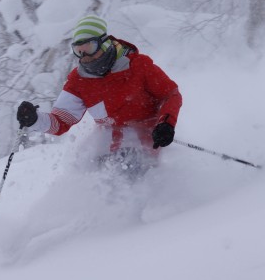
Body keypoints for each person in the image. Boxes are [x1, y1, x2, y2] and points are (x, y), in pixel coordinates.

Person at [16, 14, 182, 178]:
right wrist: (35, 120)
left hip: (147, 137)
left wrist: (166, 124)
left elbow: (170, 95)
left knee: (129, 168)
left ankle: (149, 200)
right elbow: (60, 122)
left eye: (89, 48)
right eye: (78, 51)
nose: (85, 56)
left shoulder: (138, 66)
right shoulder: (79, 80)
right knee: (89, 172)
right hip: (109, 142)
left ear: (105, 43)